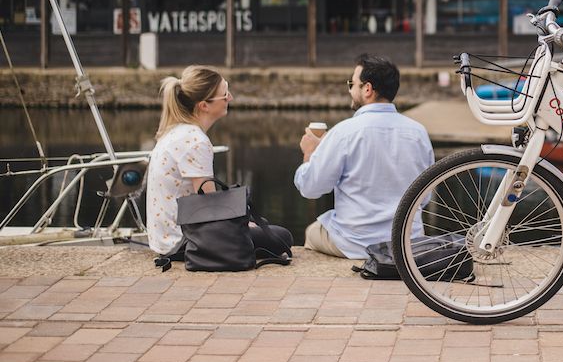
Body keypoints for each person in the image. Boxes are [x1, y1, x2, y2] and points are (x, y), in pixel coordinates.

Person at [295, 54, 434, 259]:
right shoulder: (418, 132)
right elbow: (425, 197)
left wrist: (310, 154)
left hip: (356, 243)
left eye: (352, 84)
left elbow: (310, 188)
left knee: (312, 232)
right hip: (407, 241)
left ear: (367, 89)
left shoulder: (344, 132)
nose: (350, 90)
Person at [146, 65, 292, 256]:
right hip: (183, 241)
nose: (230, 98)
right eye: (224, 95)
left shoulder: (176, 131)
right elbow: (209, 205)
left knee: (259, 226)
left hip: (166, 238)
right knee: (283, 237)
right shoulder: (195, 141)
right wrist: (240, 224)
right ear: (204, 105)